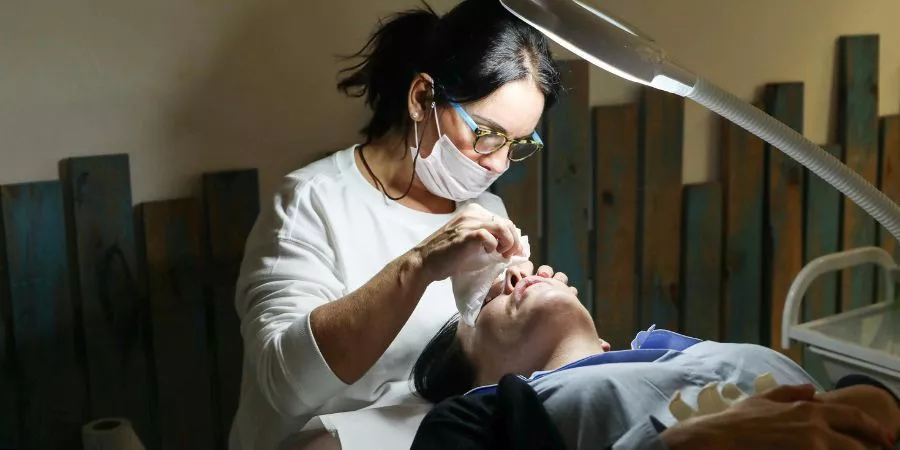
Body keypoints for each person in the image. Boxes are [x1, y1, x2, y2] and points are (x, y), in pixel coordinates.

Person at [228, 1, 563, 449]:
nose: (499, 163)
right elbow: (287, 386)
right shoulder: (311, 203)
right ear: (422, 98)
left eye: (518, 144)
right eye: (486, 134)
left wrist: (520, 308)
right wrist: (418, 265)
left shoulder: (486, 209)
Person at [410, 272, 900, 449]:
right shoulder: (478, 420)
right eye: (489, 298)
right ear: (481, 381)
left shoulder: (694, 351)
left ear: (606, 346)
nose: (518, 276)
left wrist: (876, 401)